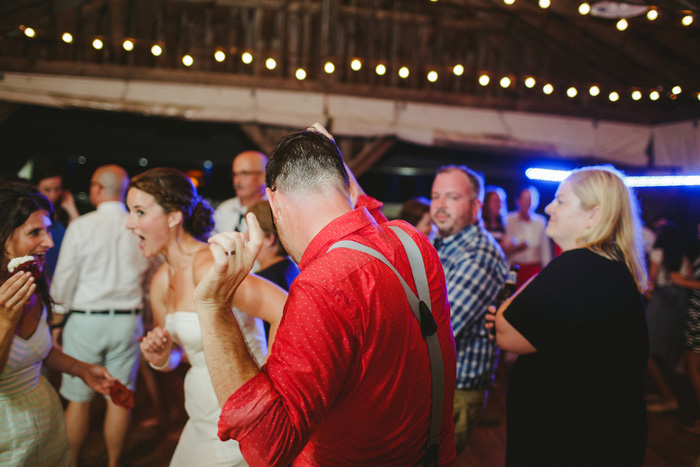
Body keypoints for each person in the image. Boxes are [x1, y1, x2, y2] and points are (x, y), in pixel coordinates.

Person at [191, 128, 457, 465]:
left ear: (274, 201)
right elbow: (368, 226)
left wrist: (215, 307)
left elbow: (266, 446)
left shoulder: (321, 285)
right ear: (346, 184)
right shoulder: (411, 241)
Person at [487, 166, 649, 465]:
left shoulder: (577, 268)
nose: (549, 207)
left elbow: (505, 333)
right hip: (596, 437)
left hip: (569, 443)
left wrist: (504, 312)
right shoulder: (606, 264)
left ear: (593, 215)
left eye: (561, 201)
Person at [127, 167, 286, 467]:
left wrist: (268, 382)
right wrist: (163, 356)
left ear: (173, 216)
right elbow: (181, 355)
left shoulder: (211, 266)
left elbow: (285, 308)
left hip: (241, 416)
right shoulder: (161, 279)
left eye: (139, 212)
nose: (128, 223)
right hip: (200, 417)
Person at [0, 181, 114, 466]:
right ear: (3, 239)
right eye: (35, 232)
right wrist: (5, 321)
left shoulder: (33, 282)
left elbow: (39, 349)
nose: (49, 242)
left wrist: (80, 369)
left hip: (46, 421)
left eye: (49, 229)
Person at [50, 165, 150, 467]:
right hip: (127, 322)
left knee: (79, 401)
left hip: (85, 321)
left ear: (96, 188)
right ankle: (114, 463)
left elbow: (64, 278)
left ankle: (73, 462)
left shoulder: (83, 226)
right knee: (119, 397)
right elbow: (150, 277)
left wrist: (56, 320)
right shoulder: (139, 225)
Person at [430, 165, 508, 454]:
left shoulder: (479, 254)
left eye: (452, 197)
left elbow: (436, 328)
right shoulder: (441, 241)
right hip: (434, 383)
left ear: (476, 206)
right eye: (436, 196)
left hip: (455, 390)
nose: (440, 205)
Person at [645, 221, 690, 413]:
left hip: (661, 304)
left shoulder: (657, 253)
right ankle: (665, 392)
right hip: (679, 304)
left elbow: (651, 285)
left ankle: (667, 396)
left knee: (646, 350)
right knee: (665, 352)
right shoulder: (683, 258)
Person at [31, 162, 80, 278]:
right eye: (47, 190)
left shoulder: (64, 211)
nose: (53, 195)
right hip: (40, 273)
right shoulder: (31, 213)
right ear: (36, 187)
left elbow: (83, 238)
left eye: (57, 189)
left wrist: (71, 209)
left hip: (64, 274)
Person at [505, 186, 552, 287]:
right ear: (518, 201)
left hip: (533, 269)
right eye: (525, 199)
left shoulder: (540, 221)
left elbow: (545, 250)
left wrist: (547, 272)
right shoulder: (508, 220)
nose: (528, 203)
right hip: (514, 270)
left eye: (531, 199)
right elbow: (504, 248)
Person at [214, 151, 268, 234]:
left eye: (244, 173)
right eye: (234, 174)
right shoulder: (224, 209)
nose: (236, 181)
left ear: (263, 176)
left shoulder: (274, 210)